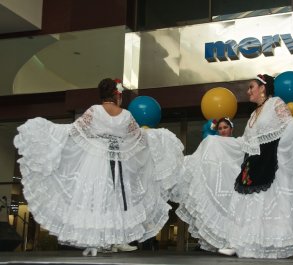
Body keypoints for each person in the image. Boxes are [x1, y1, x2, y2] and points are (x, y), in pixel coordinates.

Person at [174, 74, 293, 258]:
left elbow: (289, 126)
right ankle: (238, 243)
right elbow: (247, 141)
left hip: (270, 162)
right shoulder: (253, 114)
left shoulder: (276, 104)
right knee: (243, 204)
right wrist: (220, 143)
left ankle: (270, 246)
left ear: (263, 88)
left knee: (268, 203)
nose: (248, 91)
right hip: (251, 165)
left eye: (251, 87)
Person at [14, 78, 184, 256]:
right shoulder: (125, 114)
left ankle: (102, 241)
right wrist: (158, 138)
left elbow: (73, 130)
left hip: (96, 161)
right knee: (117, 199)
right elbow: (139, 138)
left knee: (97, 199)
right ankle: (115, 240)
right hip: (119, 163)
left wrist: (48, 131)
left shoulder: (94, 111)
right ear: (117, 95)